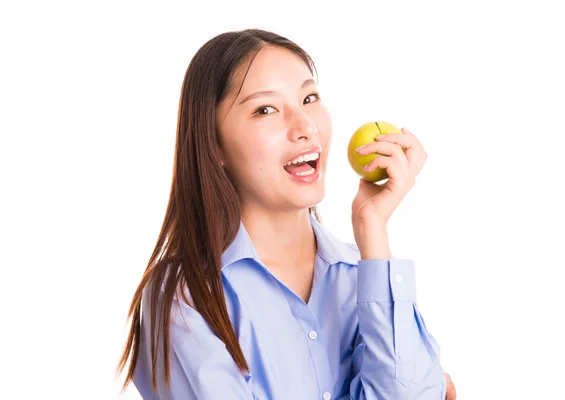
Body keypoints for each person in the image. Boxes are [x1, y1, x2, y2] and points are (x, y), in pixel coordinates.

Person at [117, 28, 457, 400]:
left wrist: (372, 227)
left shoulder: (367, 275)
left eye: (309, 98)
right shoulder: (186, 297)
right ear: (213, 144)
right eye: (265, 109)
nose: (306, 127)